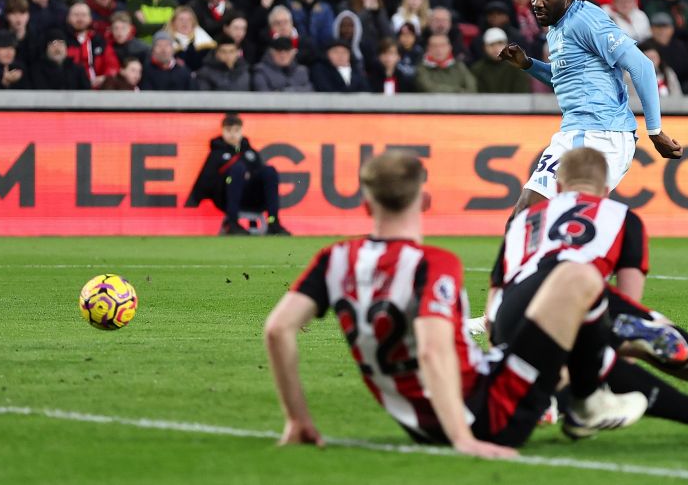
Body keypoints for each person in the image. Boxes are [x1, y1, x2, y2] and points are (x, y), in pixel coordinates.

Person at [264, 150, 646, 454]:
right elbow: (432, 351)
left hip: (419, 425)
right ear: (424, 200)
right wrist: (464, 438)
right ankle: (593, 401)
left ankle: (651, 398)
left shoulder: (334, 259)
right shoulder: (434, 263)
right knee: (576, 282)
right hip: (488, 414)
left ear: (365, 206)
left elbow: (278, 328)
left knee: (548, 339)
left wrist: (296, 418)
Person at [487, 148, 688, 437]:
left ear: (558, 188)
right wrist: (623, 357)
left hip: (513, 310)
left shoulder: (524, 220)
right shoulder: (621, 216)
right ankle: (587, 389)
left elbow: (494, 300)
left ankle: (566, 397)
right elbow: (629, 297)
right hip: (579, 292)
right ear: (606, 190)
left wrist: (498, 346)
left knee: (563, 360)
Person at [499, 0, 682, 215]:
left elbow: (641, 65)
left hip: (600, 134)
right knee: (529, 217)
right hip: (577, 132)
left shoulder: (586, 20)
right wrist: (528, 65)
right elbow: (565, 78)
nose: (537, 2)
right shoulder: (558, 27)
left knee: (543, 218)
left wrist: (655, 131)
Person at [188, 113, 290, 236]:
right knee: (237, 169)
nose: (232, 134)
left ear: (241, 131)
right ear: (223, 131)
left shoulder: (250, 153)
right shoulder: (216, 154)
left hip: (252, 197)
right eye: (228, 130)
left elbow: (260, 174)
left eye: (236, 130)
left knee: (269, 171)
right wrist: (194, 200)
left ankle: (273, 222)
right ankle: (232, 222)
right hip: (226, 198)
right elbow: (207, 178)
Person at [471, 27, 532, 94]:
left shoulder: (517, 67)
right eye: (491, 45)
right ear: (484, 47)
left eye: (500, 43)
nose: (496, 48)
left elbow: (522, 94)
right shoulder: (477, 69)